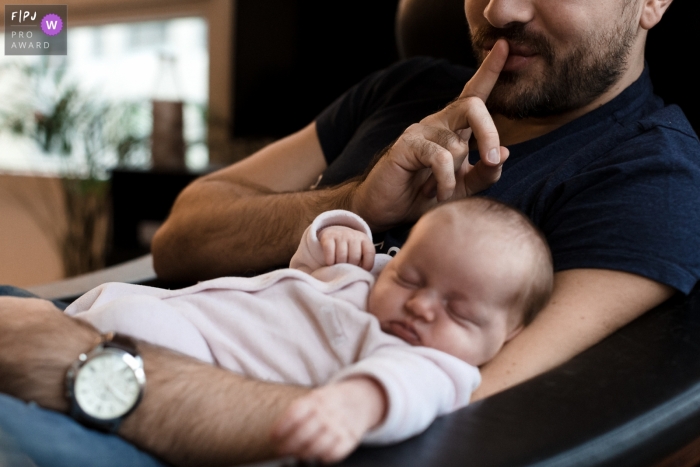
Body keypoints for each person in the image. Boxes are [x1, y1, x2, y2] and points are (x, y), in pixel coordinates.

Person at [1, 0, 698, 465]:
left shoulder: (646, 173)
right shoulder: (409, 89)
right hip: (107, 326)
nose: (499, 9)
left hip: (143, 411)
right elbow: (180, 235)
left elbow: (461, 416)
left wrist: (81, 364)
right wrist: (365, 202)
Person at [65, 198, 552, 463]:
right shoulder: (371, 278)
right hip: (145, 308)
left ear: (508, 336)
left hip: (175, 356)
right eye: (411, 277)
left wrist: (351, 405)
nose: (421, 305)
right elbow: (301, 276)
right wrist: (334, 235)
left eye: (460, 312)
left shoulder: (436, 363)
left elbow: (406, 390)